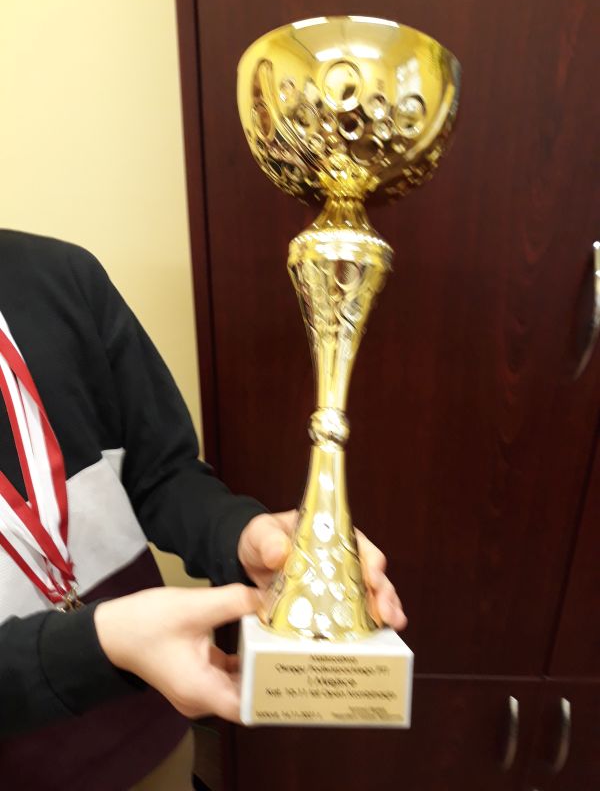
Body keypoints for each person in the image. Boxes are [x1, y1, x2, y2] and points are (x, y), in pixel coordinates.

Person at [0, 229, 406, 790]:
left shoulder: (62, 275)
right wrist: (96, 645)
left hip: (153, 732)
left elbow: (161, 473)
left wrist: (242, 534)